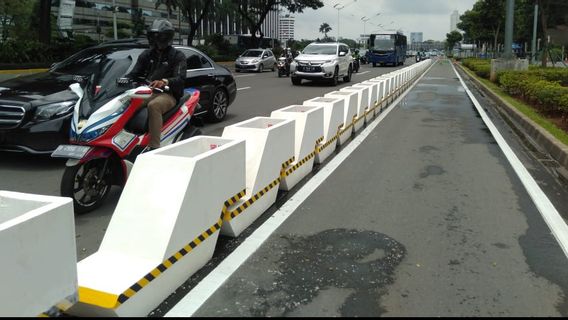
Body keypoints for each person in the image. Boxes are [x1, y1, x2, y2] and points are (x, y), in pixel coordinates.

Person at [120, 19, 187, 151]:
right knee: (124, 103)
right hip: (147, 91)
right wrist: (121, 79)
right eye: (155, 36)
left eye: (160, 36)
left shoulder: (177, 56)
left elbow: (180, 78)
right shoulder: (147, 54)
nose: (157, 39)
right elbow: (134, 73)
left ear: (167, 37)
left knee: (154, 106)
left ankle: (154, 146)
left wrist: (165, 81)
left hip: (168, 93)